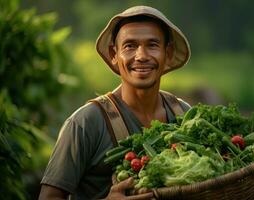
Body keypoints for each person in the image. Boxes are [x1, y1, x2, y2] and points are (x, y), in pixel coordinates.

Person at [39, 5, 191, 200]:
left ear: (168, 53)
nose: (142, 56)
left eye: (152, 45)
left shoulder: (183, 115)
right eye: (130, 46)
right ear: (113, 54)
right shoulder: (86, 123)